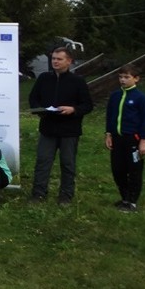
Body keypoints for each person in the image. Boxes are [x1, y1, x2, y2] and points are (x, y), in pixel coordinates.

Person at [28, 46, 93, 205]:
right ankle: (38, 193)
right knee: (43, 161)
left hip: (69, 130)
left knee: (67, 163)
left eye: (59, 59)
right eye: (53, 59)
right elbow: (33, 98)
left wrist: (73, 109)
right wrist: (39, 110)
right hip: (48, 128)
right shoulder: (44, 78)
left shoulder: (77, 81)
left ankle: (66, 195)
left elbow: (88, 105)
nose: (55, 62)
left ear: (69, 61)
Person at [105, 64, 145, 213]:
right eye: (120, 77)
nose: (123, 80)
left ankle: (132, 201)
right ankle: (124, 198)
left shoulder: (140, 98)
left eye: (126, 77)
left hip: (133, 139)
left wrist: (143, 141)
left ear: (136, 79)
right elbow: (110, 116)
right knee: (118, 169)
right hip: (117, 139)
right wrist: (108, 134)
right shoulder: (115, 96)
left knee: (134, 170)